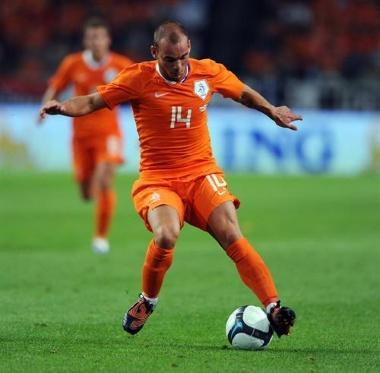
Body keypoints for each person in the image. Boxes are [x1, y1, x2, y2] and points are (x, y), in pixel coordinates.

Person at [40, 21, 300, 337]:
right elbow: (94, 100)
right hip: (158, 179)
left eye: (183, 57)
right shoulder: (137, 77)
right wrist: (63, 106)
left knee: (231, 233)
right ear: (155, 53)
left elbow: (243, 93)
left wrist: (271, 110)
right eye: (170, 60)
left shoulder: (209, 71)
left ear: (189, 47)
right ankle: (147, 301)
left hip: (202, 173)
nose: (178, 66)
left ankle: (273, 307)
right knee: (166, 236)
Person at [38, 18, 134, 254]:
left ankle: (101, 238)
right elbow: (56, 86)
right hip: (80, 137)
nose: (96, 42)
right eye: (91, 37)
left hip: (109, 133)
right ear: (85, 40)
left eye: (100, 37)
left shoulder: (121, 64)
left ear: (108, 40)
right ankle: (91, 190)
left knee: (104, 180)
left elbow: (143, 84)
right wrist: (44, 106)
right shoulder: (72, 63)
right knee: (85, 192)